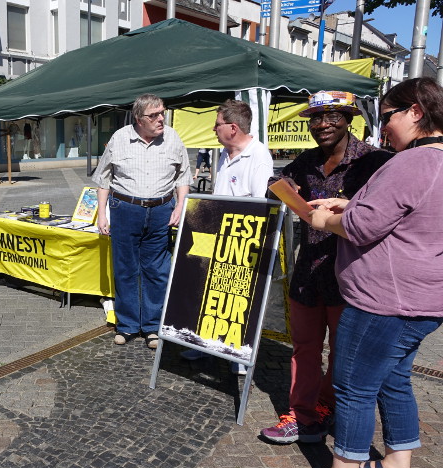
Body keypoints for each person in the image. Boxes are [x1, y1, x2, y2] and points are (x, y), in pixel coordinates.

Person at [288, 77, 443, 468]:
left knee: (354, 385)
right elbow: (404, 214)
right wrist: (349, 205)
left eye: (388, 116)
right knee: (395, 379)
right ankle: (397, 465)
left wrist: (326, 220)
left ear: (416, 112)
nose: (384, 127)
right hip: (426, 298)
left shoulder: (409, 163)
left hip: (385, 300)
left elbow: (362, 227)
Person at [260, 91, 393, 444]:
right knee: (304, 346)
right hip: (308, 271)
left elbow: (388, 212)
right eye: (316, 118)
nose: (323, 125)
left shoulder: (375, 161)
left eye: (333, 116)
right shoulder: (303, 162)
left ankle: (328, 408)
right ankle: (301, 415)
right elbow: (273, 189)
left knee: (343, 351)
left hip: (353, 273)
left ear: (350, 118)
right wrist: (281, 188)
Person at [180, 99, 274, 374]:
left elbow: (259, 205)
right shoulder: (224, 153)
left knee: (235, 300)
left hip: (240, 241)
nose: (213, 129)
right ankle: (203, 343)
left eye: (217, 124)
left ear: (232, 128)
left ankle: (237, 355)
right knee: (208, 294)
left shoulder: (258, 155)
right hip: (215, 235)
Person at [93, 93, 191, 350]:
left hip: (161, 210)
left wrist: (180, 205)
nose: (161, 119)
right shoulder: (120, 138)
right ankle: (126, 325)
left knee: (157, 270)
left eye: (162, 113)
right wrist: (102, 213)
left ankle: (152, 326)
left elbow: (183, 176)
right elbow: (104, 179)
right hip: (125, 208)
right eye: (154, 115)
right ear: (138, 119)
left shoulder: (173, 138)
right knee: (125, 268)